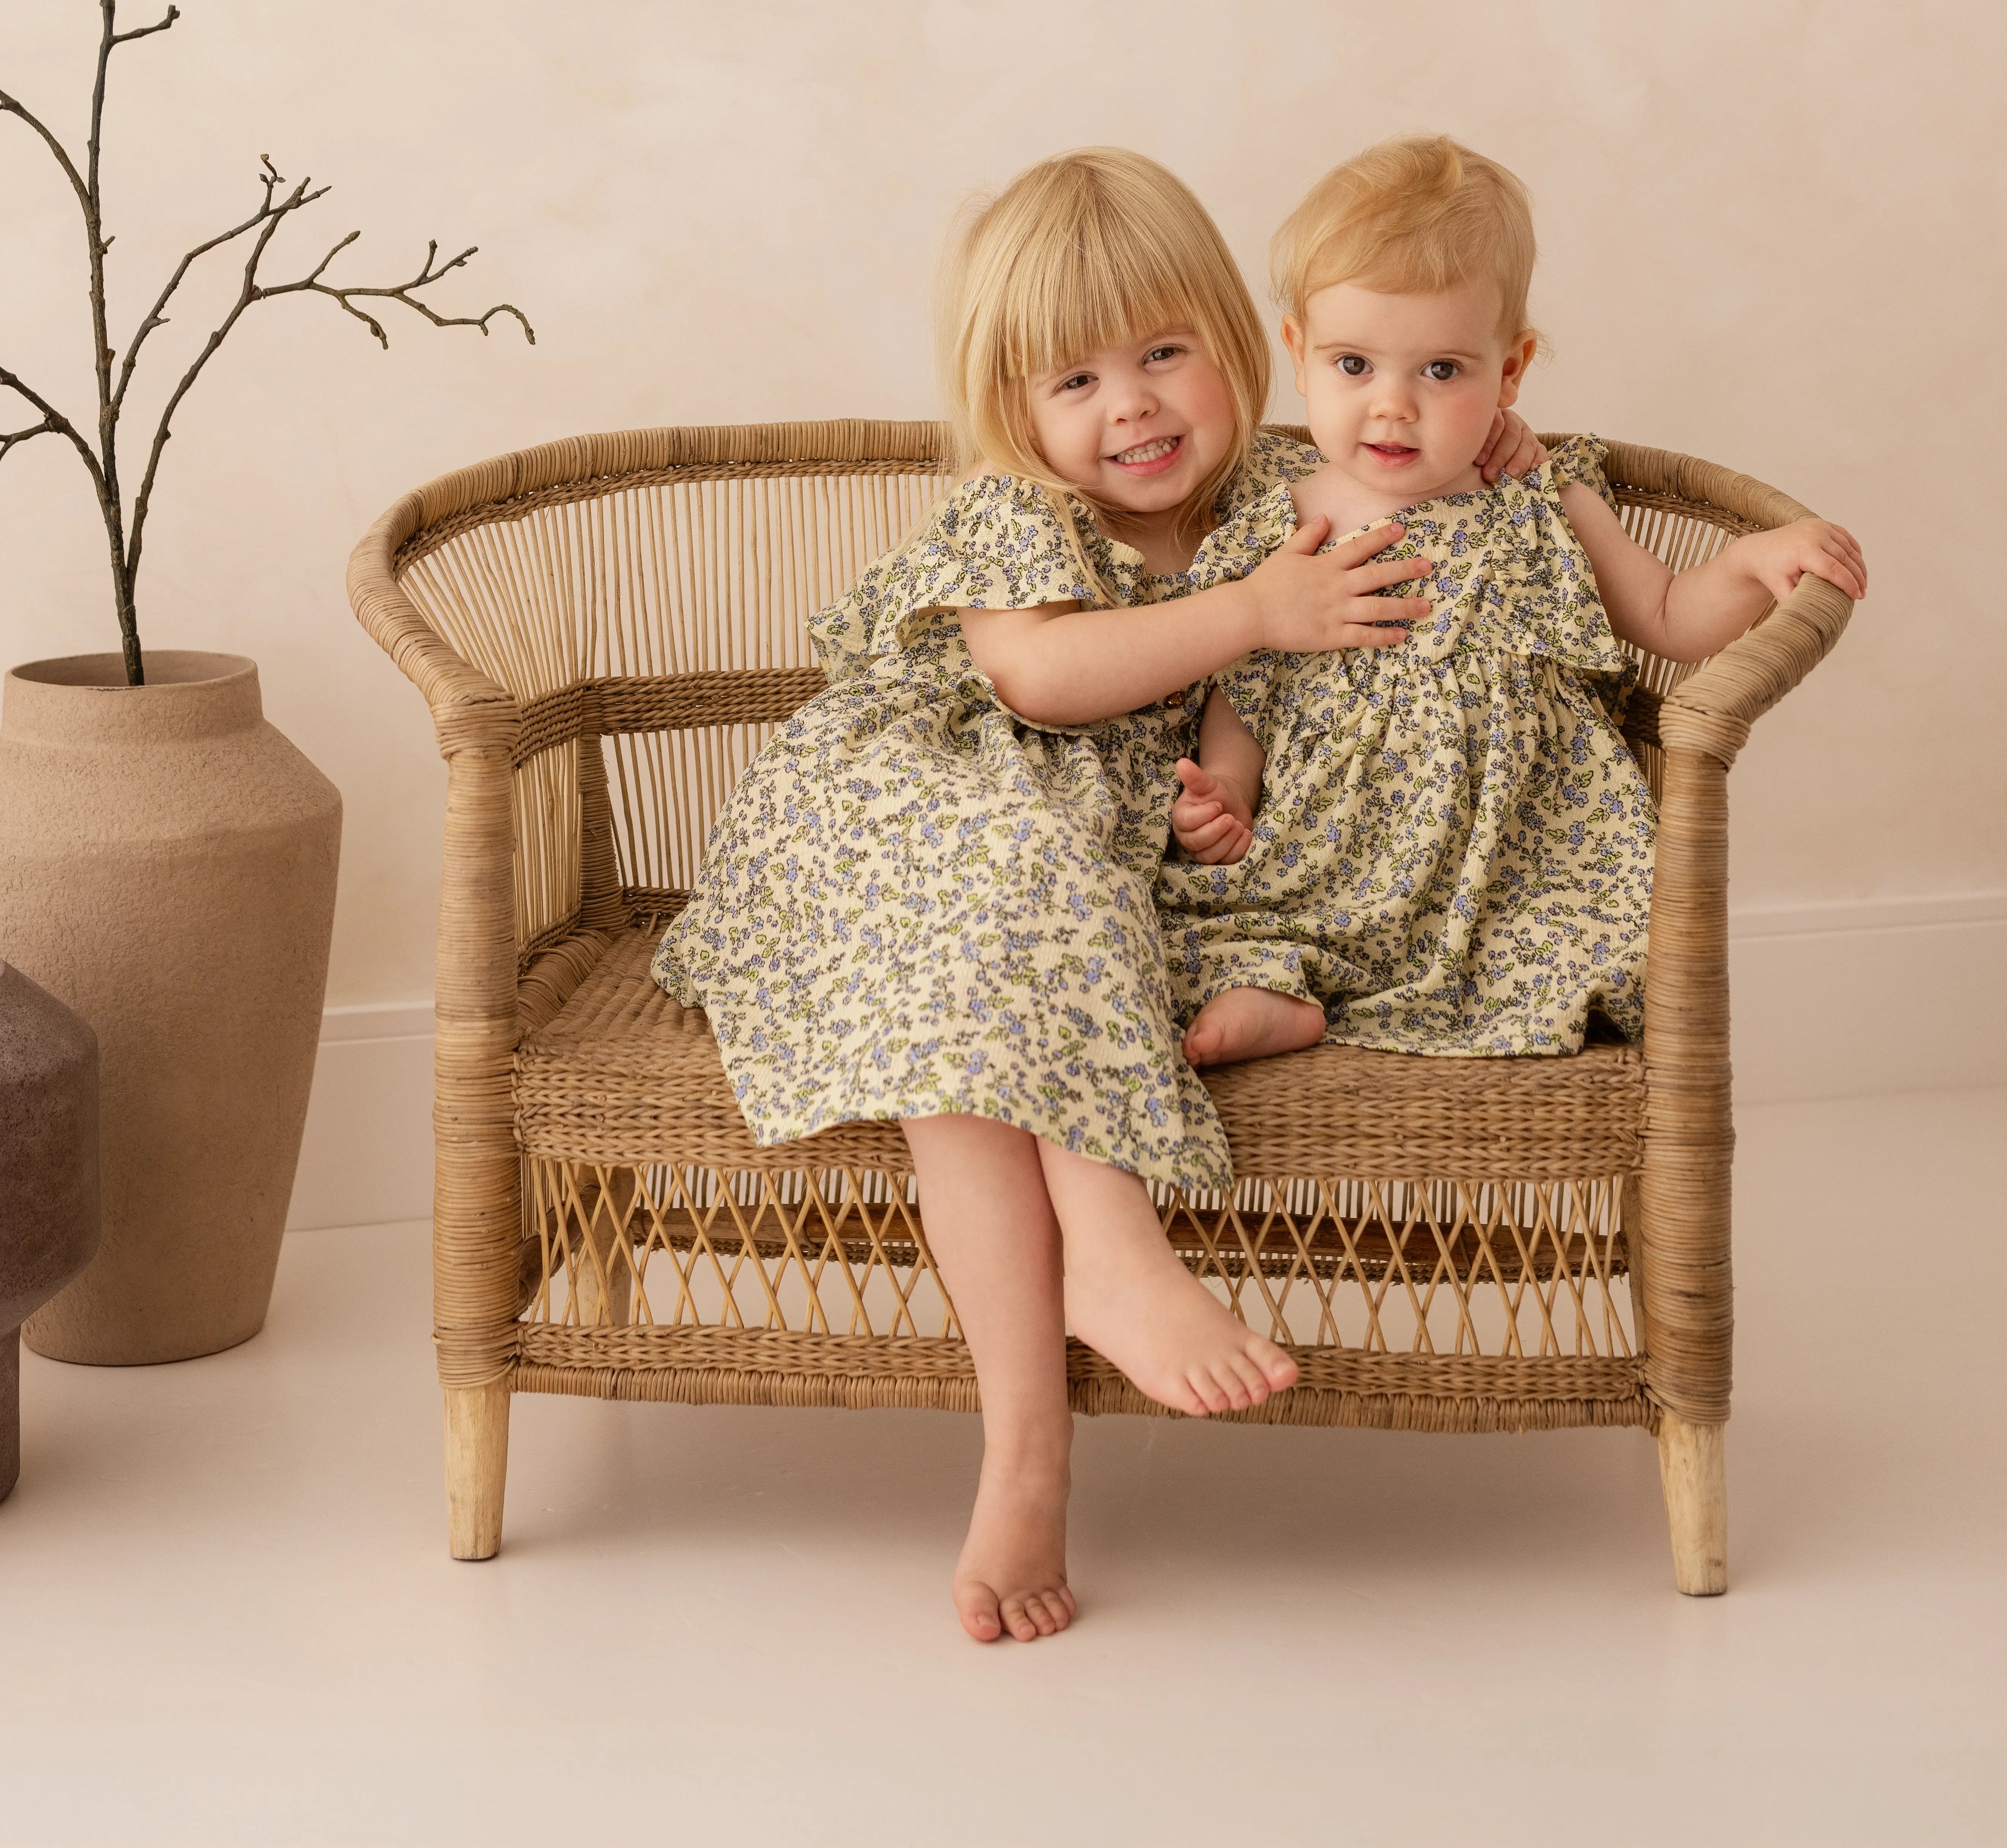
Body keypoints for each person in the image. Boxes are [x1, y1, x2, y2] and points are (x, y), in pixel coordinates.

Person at [653, 146, 1537, 1646]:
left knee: (983, 1025)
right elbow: (1044, 683)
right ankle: (1098, 1291)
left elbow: (1406, 452)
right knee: (1013, 899)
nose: (1128, 404)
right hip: (895, 836)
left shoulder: (1277, 488)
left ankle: (1030, 1448)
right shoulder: (1024, 516)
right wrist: (1256, 610)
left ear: (1238, 343)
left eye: (1162, 351)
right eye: (1074, 380)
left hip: (1059, 884)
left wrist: (1493, 447)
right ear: (1014, 410)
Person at [1166, 134, 1867, 1057]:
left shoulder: (1542, 495)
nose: (1392, 405)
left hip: (1512, 854)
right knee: (1226, 922)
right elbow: (1244, 686)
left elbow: (1663, 614)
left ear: (1510, 370)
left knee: (1584, 938)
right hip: (1332, 840)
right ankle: (1281, 990)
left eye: (1442, 371)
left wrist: (1747, 565)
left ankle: (1349, 991)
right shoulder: (1281, 524)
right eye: (1353, 366)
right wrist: (1226, 789)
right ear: (1296, 354)